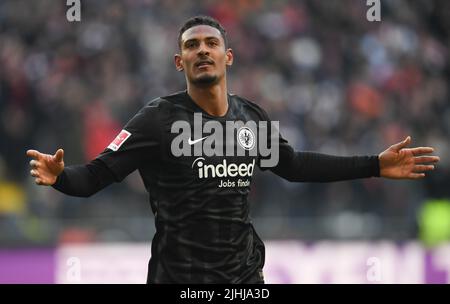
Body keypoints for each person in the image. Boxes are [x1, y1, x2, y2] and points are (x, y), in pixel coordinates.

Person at [26, 16, 440, 284]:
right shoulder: (157, 120)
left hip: (244, 281)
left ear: (228, 56)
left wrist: (373, 165)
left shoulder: (250, 117)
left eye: (210, 43)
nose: (201, 50)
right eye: (191, 46)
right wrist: (59, 176)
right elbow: (95, 176)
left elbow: (294, 166)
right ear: (178, 61)